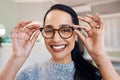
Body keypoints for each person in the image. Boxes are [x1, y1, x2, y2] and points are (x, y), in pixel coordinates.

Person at [0, 4, 120, 80]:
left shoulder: (94, 75)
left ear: (76, 34)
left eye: (65, 30)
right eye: (49, 30)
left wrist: (99, 55)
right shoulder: (30, 75)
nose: (56, 39)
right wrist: (16, 58)